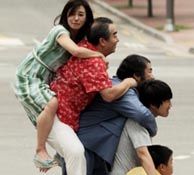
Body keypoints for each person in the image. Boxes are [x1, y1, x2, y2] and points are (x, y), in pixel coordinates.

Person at [13, 0, 103, 169]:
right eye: (72, 14)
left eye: (81, 15)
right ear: (65, 15)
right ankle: (40, 150)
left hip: (44, 78)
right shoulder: (60, 31)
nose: (75, 18)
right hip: (30, 74)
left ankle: (57, 152)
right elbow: (75, 52)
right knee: (52, 102)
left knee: (58, 107)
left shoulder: (79, 39)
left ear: (87, 18)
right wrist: (99, 55)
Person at [47, 17, 137, 175]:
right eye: (114, 35)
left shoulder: (83, 48)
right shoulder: (93, 61)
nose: (118, 39)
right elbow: (108, 95)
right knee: (77, 157)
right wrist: (128, 82)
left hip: (60, 112)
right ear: (102, 41)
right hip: (61, 117)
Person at [60, 54, 157, 175]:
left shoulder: (118, 85)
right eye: (149, 71)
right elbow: (143, 115)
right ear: (136, 76)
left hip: (96, 149)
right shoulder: (123, 92)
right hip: (86, 148)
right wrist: (153, 130)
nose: (152, 76)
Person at [110, 79, 173, 175]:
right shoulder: (138, 122)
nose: (170, 105)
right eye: (167, 101)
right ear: (153, 104)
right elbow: (142, 154)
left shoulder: (143, 121)